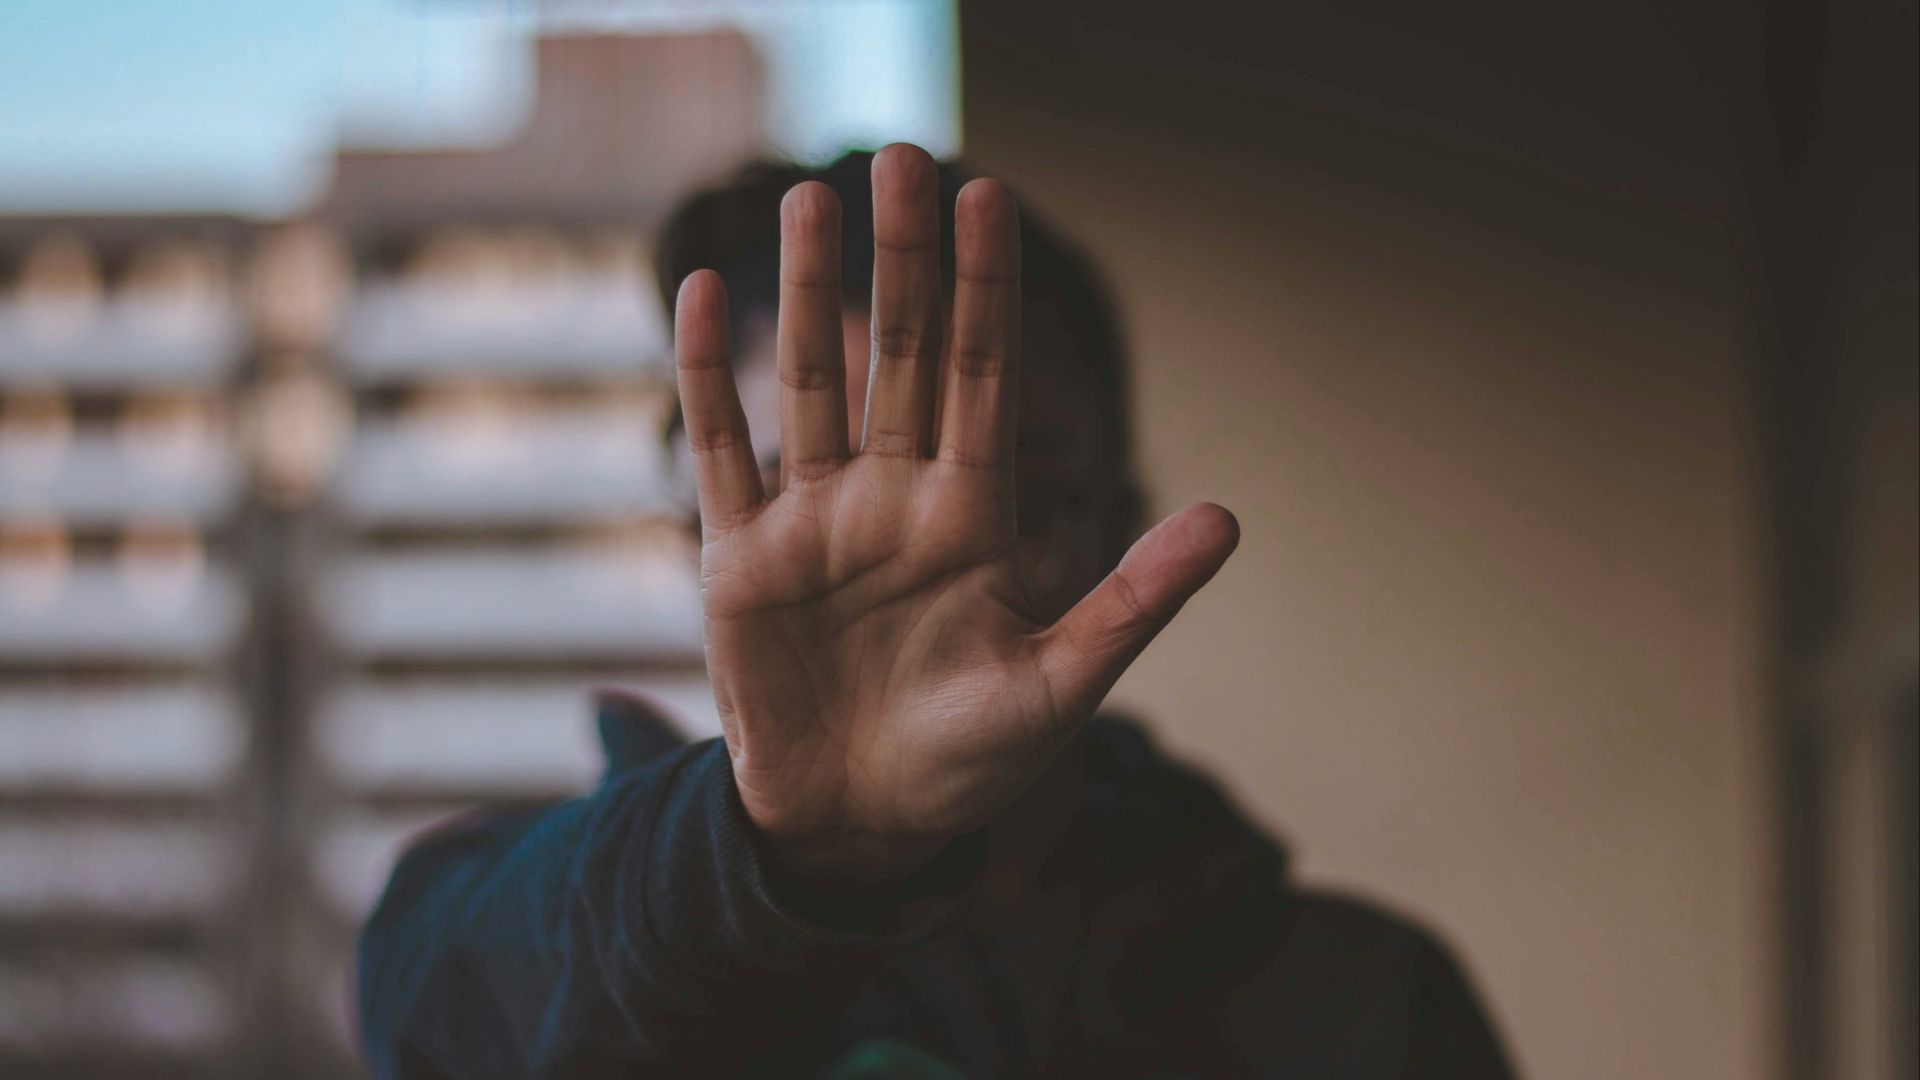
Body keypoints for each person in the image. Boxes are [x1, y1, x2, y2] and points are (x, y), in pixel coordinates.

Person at [356, 145, 1514, 1078]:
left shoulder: (1361, 1007)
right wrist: (789, 856)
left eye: (1004, 489)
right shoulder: (566, 944)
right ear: (692, 549)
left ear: (1121, 523)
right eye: (801, 490)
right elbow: (429, 1005)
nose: (900, 571)